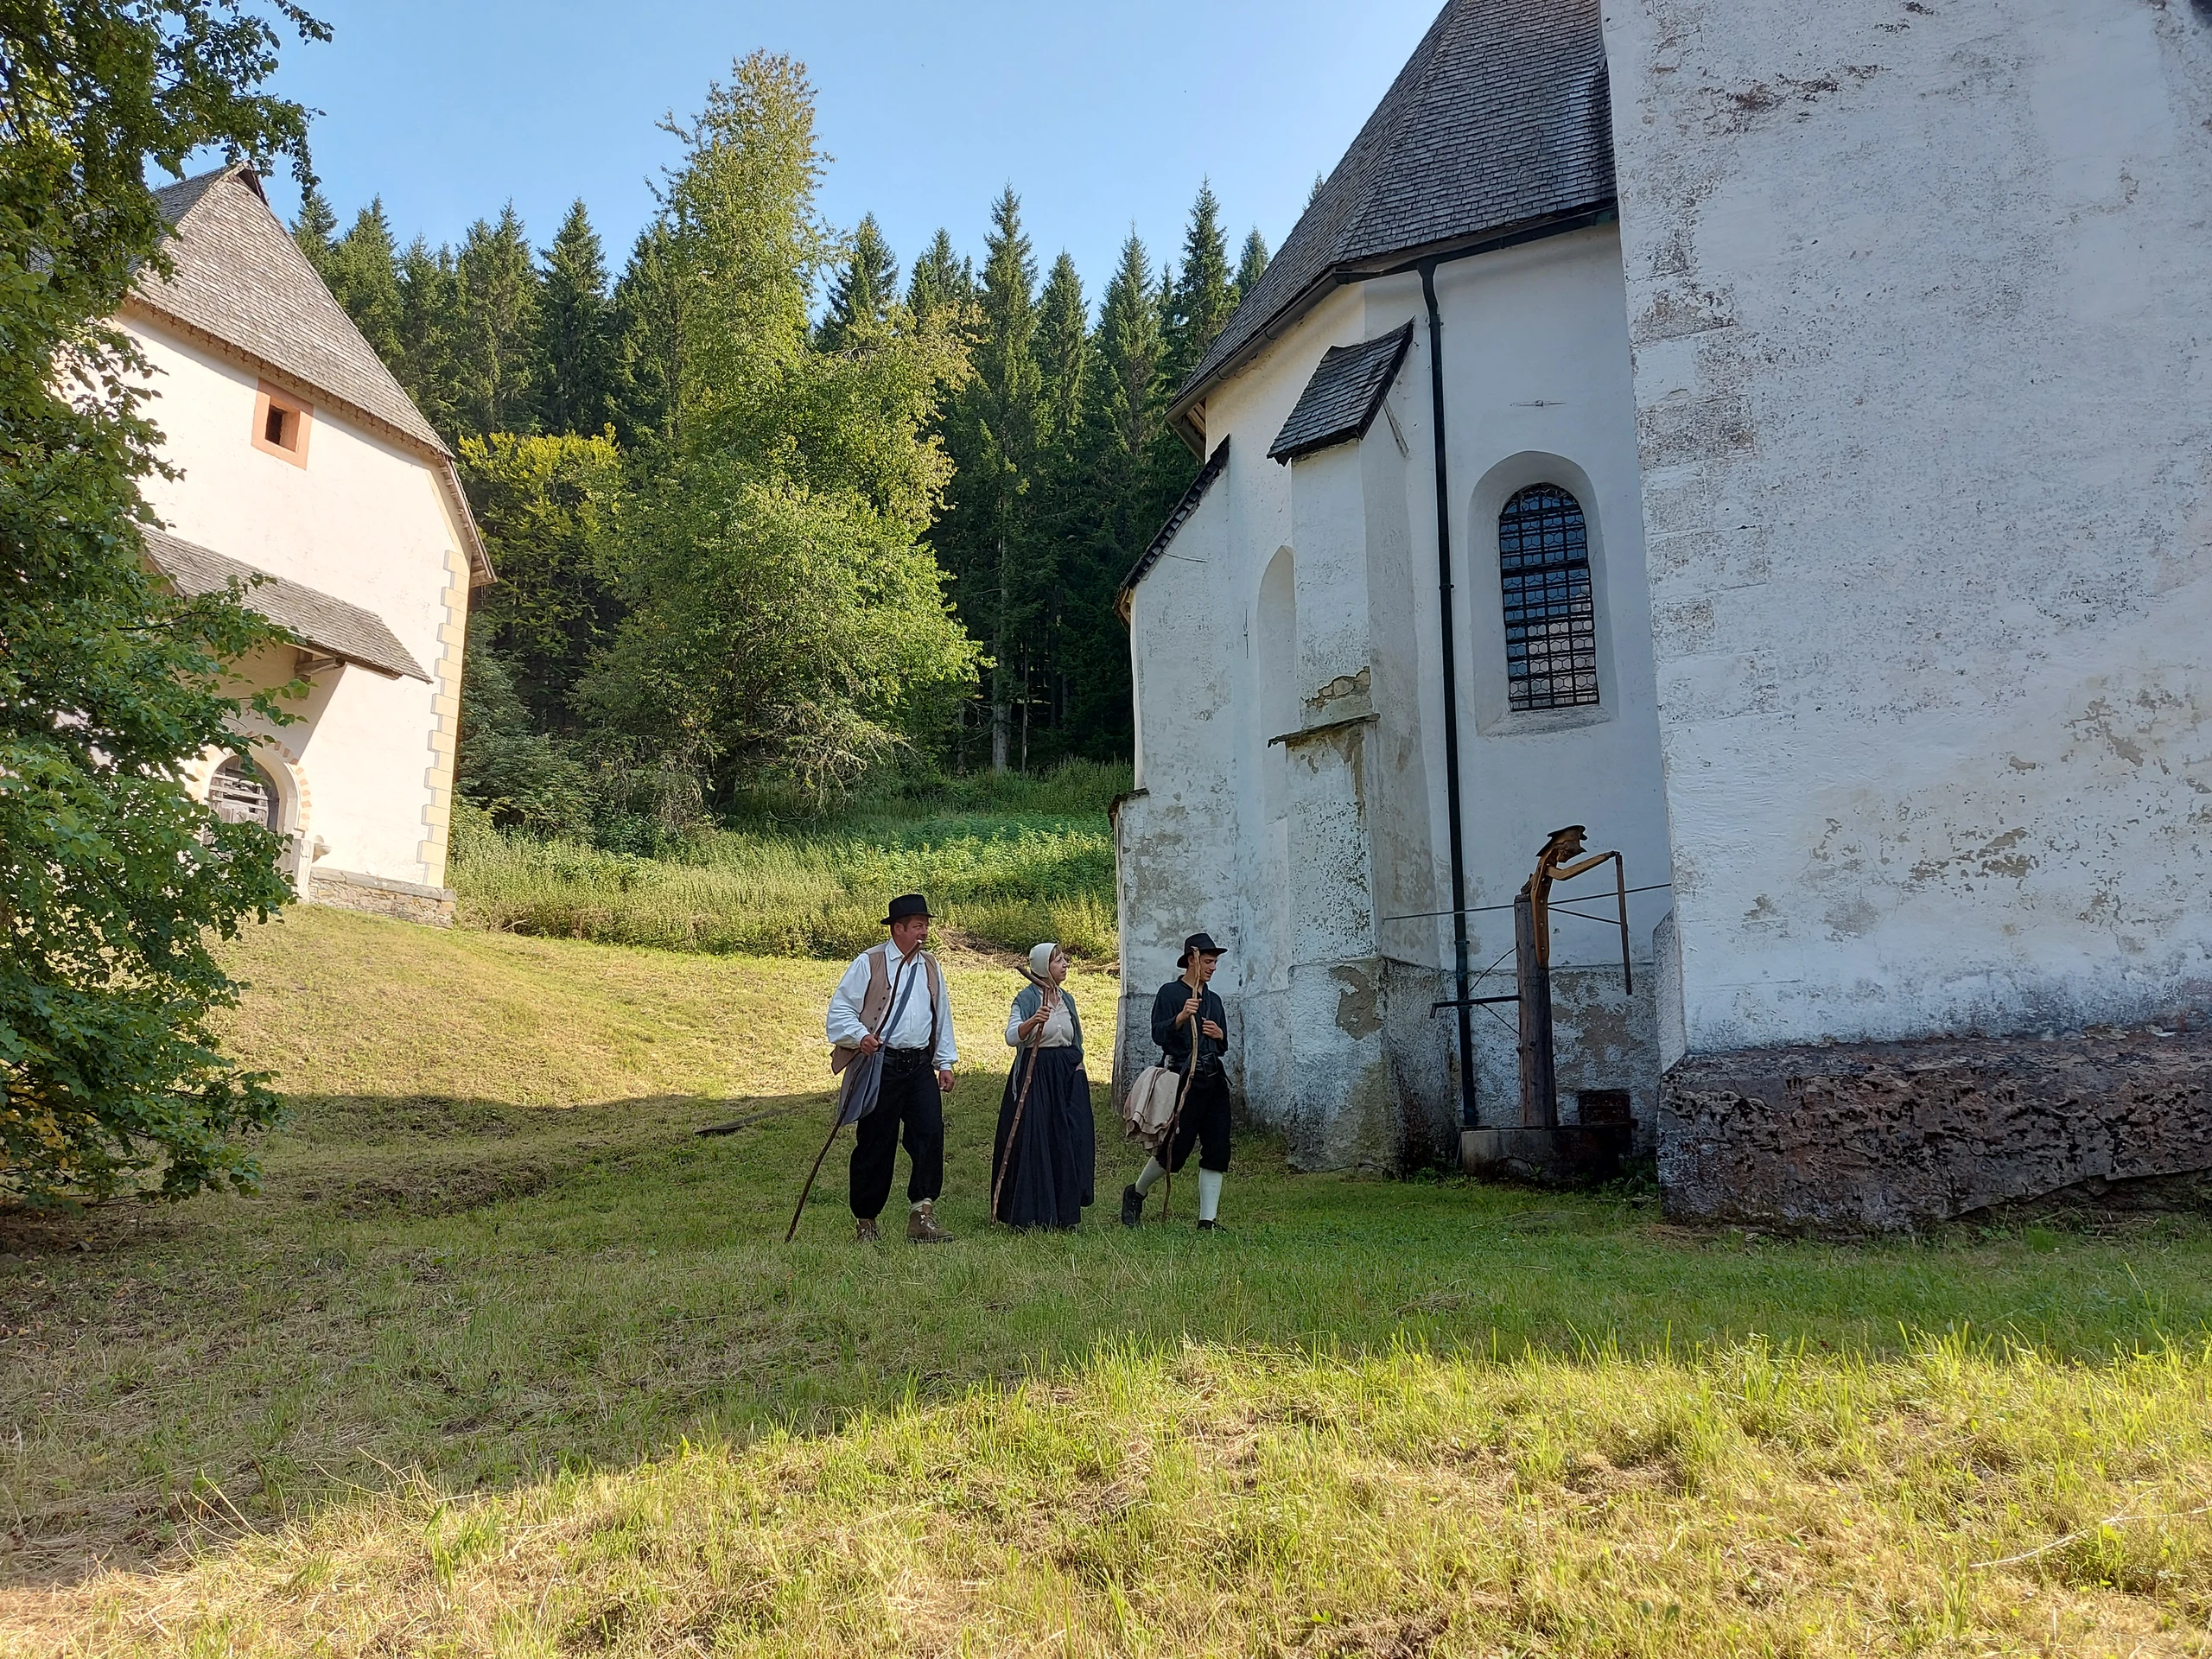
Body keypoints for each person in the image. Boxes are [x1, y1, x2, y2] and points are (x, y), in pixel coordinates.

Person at [825, 893, 957, 1243]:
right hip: (882, 1066)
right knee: (875, 1142)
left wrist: (944, 1062)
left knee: (930, 1134)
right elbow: (839, 1011)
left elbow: (940, 1015)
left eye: (925, 926)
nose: (924, 933)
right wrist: (860, 1036)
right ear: (898, 929)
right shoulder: (869, 962)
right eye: (917, 926)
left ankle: (921, 1216)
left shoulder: (929, 965)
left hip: (919, 1068)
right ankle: (866, 1222)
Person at [1121, 931, 1233, 1232]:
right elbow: (1159, 1034)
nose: (1213, 968)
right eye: (1208, 962)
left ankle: (1207, 1221)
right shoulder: (1170, 993)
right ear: (1192, 960)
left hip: (1214, 1080)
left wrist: (1219, 1036)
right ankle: (1136, 1193)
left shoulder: (1214, 1000)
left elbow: (1223, 1045)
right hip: (1184, 1080)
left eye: (1215, 963)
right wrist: (1181, 1017)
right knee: (1176, 1148)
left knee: (1218, 1147)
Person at [991, 942, 1096, 1230]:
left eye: (1064, 959)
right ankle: (1030, 1215)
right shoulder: (1026, 1000)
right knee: (1037, 1140)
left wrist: (1078, 1066)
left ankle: (1066, 1214)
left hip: (1067, 1075)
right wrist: (1032, 1022)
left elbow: (1076, 1038)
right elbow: (1012, 1036)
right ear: (1041, 967)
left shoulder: (1067, 999)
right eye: (1057, 960)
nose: (1065, 964)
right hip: (1036, 1074)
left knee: (1071, 1138)